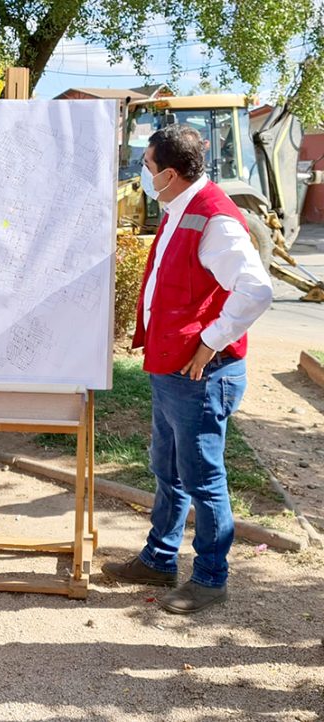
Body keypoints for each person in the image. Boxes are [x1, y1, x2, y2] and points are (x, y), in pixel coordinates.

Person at [101, 124, 273, 614]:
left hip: (201, 374)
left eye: (148, 167)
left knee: (202, 478)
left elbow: (256, 290)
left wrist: (208, 343)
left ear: (171, 173)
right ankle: (158, 559)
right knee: (168, 470)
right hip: (175, 369)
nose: (143, 175)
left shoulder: (214, 218)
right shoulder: (184, 207)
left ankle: (211, 579)